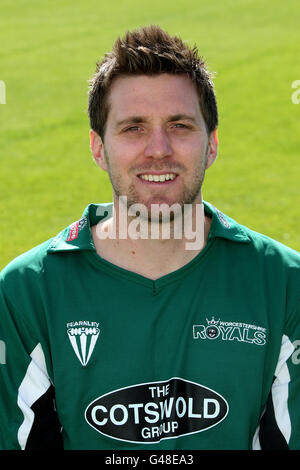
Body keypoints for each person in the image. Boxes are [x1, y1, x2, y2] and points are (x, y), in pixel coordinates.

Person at [0, 25, 299, 451]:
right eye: (133, 128)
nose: (158, 149)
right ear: (98, 147)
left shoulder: (286, 283)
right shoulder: (28, 291)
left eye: (179, 125)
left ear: (211, 144)